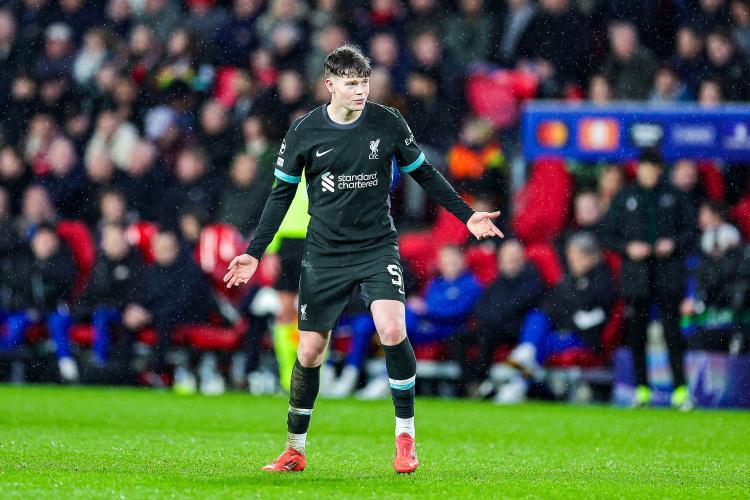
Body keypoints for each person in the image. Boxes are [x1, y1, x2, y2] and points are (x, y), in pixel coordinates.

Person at [223, 45, 503, 474]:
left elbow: (424, 172)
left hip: (376, 247)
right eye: (351, 83)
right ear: (330, 85)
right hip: (324, 252)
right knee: (310, 352)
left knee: (392, 328)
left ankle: (405, 439)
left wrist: (467, 216)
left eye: (365, 83)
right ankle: (294, 448)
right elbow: (280, 197)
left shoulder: (387, 122)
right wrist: (254, 253)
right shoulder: (304, 131)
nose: (360, 91)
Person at [603, 148, 697, 409]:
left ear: (660, 170)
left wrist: (673, 244)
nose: (650, 173)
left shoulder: (674, 196)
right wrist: (628, 248)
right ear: (639, 168)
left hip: (667, 274)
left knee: (672, 333)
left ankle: (680, 390)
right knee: (637, 334)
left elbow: (691, 231)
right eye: (646, 168)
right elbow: (607, 235)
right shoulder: (625, 197)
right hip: (637, 276)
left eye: (654, 168)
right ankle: (642, 389)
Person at [495, 232, 614, 404]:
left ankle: (520, 378)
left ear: (589, 256)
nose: (572, 262)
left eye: (576, 257)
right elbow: (553, 303)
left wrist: (566, 314)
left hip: (584, 338)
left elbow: (586, 318)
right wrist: (567, 313)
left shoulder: (602, 281)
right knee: (537, 316)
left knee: (541, 344)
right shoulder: (572, 280)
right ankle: (525, 353)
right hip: (565, 329)